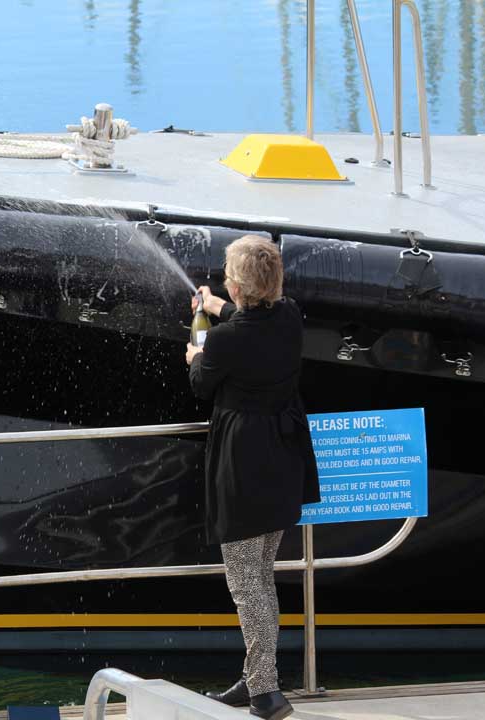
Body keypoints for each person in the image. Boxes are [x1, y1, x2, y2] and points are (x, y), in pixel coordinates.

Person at [185, 235, 320, 720]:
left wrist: (195, 354)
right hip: (282, 461)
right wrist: (218, 307)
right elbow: (251, 327)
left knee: (248, 585)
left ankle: (265, 692)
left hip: (243, 468)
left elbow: (202, 384)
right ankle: (255, 676)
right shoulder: (289, 317)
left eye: (227, 275)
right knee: (261, 575)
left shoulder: (224, 341)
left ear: (239, 286)